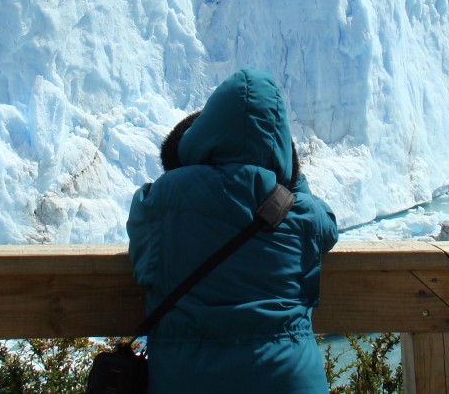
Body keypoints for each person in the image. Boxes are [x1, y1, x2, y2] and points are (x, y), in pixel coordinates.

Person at [127, 69, 339, 394]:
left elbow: (143, 244)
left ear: (204, 132)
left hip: (187, 381)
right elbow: (327, 226)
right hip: (288, 381)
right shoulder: (300, 213)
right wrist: (291, 176)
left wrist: (185, 157)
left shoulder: (161, 202)